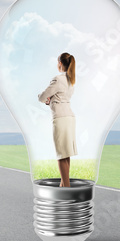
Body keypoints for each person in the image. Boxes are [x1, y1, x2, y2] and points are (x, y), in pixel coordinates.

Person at [38, 52, 77, 187]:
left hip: (60, 118)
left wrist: (45, 99)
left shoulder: (58, 79)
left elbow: (42, 97)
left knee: (61, 154)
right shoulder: (71, 80)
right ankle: (63, 184)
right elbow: (60, 96)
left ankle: (66, 187)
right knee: (66, 153)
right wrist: (51, 99)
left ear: (60, 63)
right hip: (70, 118)